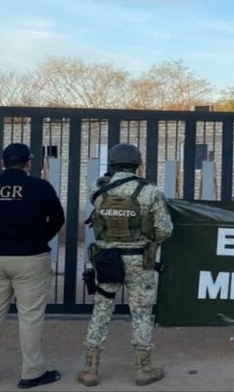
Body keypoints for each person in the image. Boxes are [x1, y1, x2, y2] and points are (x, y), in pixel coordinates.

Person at [0, 143, 65, 389]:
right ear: (28, 163)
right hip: (30, 257)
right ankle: (32, 372)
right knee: (30, 316)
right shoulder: (40, 187)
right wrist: (39, 238)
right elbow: (58, 218)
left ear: (3, 162)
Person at [77, 143, 174, 387]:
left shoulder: (98, 190)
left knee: (101, 309)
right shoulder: (150, 191)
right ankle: (143, 369)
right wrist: (147, 238)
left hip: (107, 258)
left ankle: (90, 369)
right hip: (139, 259)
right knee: (141, 312)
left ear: (112, 164)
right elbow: (164, 230)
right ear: (137, 164)